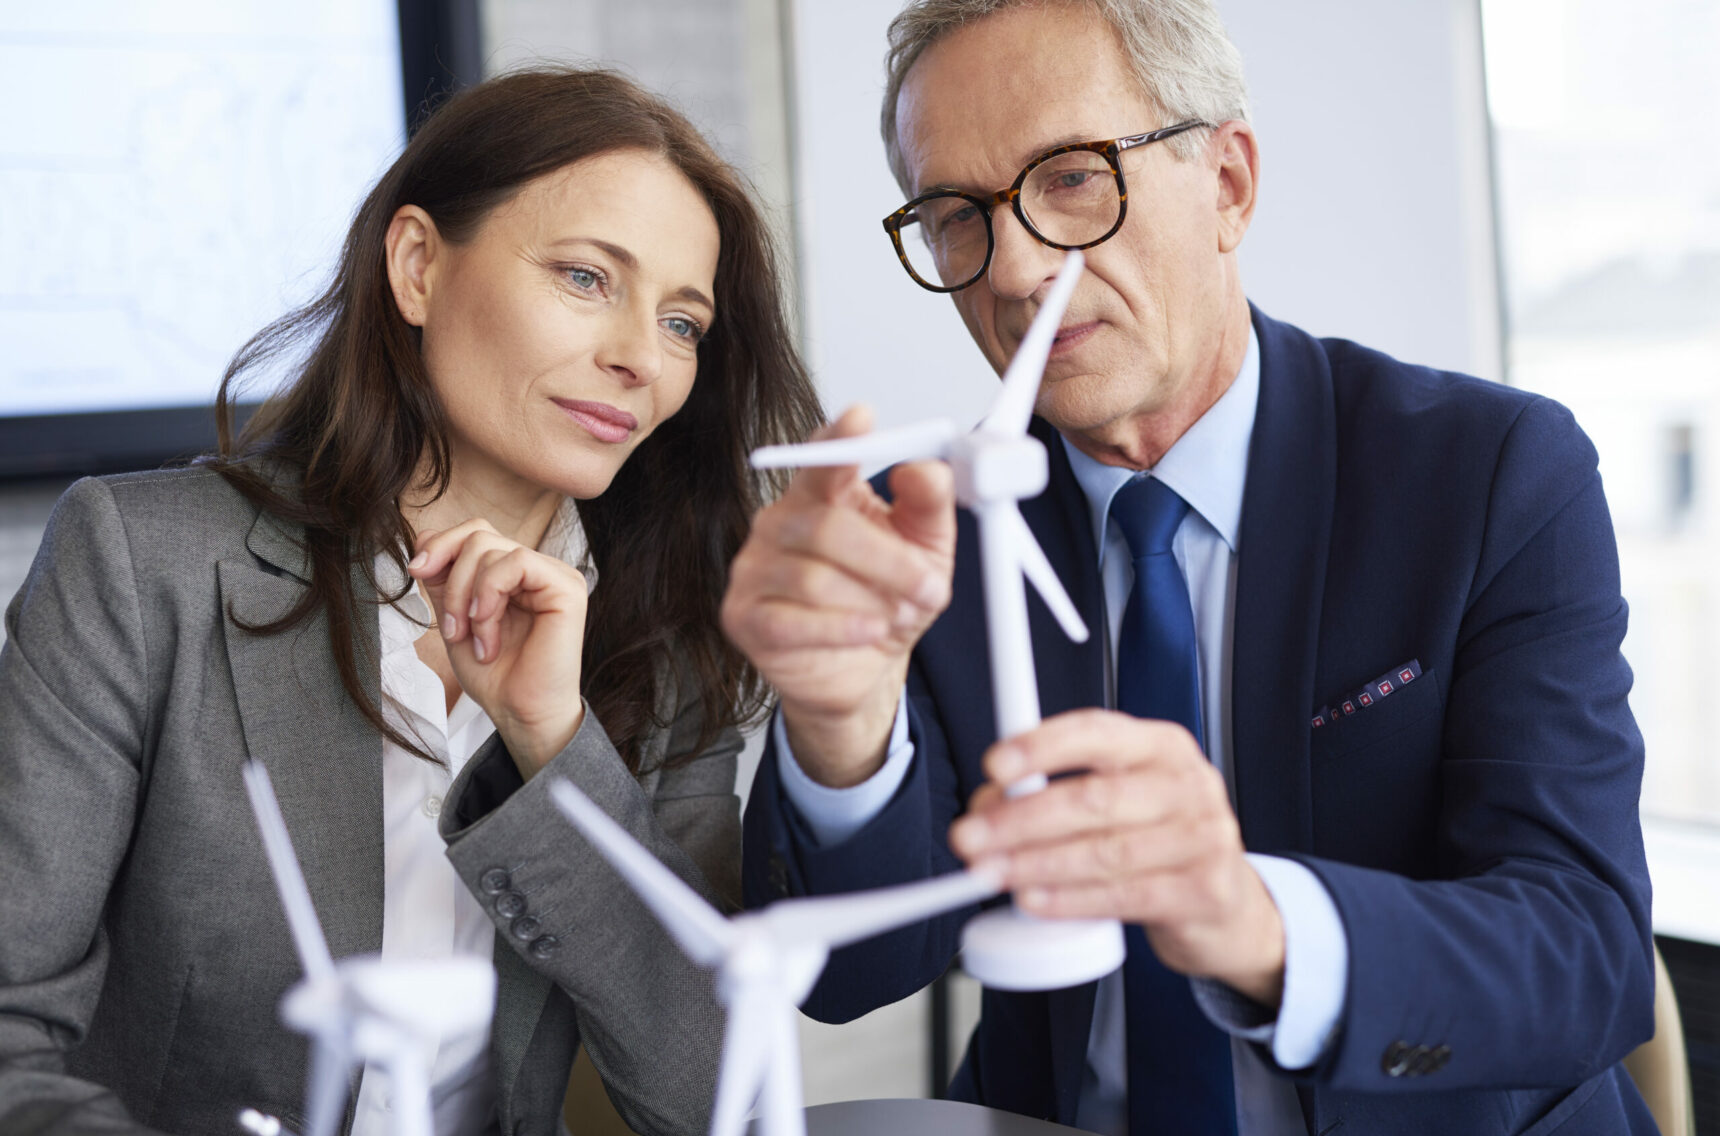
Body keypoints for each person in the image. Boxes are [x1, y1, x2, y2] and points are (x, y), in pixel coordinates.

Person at [723, 2, 1656, 1134]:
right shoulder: (924, 528)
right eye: (954, 213)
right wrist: (839, 727)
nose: (1012, 270)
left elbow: (1582, 952)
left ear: (1227, 183)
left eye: (1069, 176)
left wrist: (1249, 914)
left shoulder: (1489, 472)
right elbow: (849, 971)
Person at [0, 67, 820, 1136]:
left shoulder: (669, 637)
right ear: (419, 264)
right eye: (584, 277)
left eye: (681, 322)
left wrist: (551, 738)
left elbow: (718, 1096)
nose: (636, 357)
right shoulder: (141, 563)